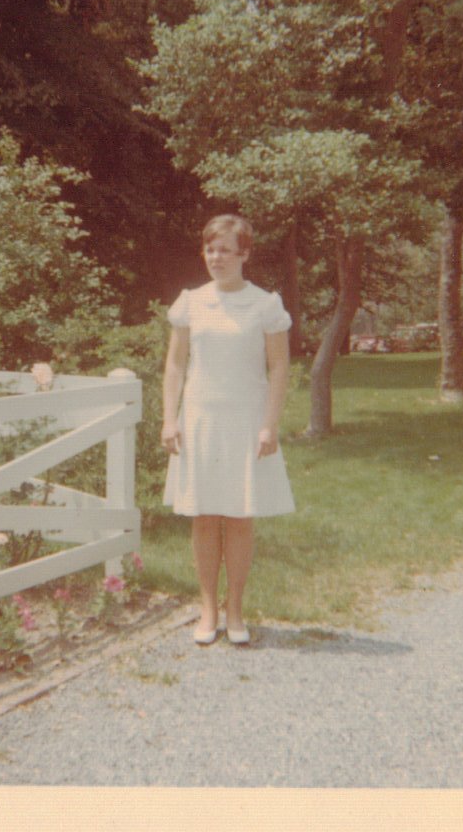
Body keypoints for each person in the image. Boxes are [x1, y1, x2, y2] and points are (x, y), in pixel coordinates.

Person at [161, 215, 294, 646]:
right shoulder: (191, 303)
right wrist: (169, 418)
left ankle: (235, 609)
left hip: (245, 422)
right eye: (210, 249)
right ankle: (208, 610)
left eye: (225, 250)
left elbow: (279, 368)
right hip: (200, 421)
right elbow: (175, 365)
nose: (216, 258)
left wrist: (269, 425)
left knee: (238, 516)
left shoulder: (265, 306)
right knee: (203, 516)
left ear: (244, 254)